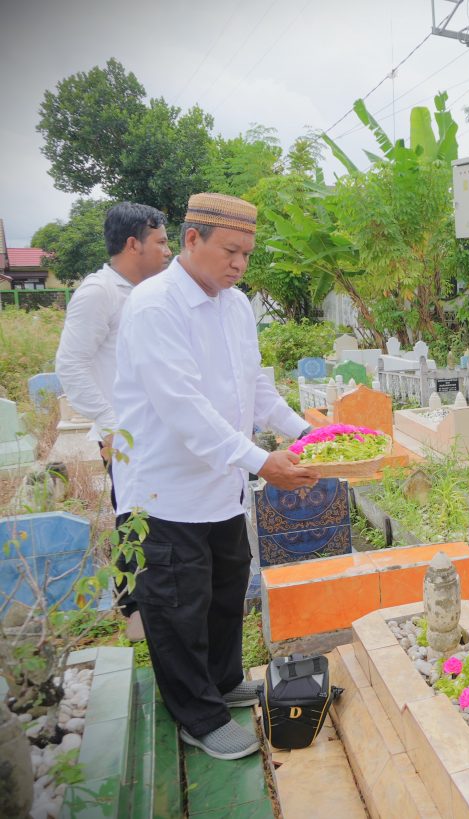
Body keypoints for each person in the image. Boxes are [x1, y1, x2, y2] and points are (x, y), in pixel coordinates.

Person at [112, 192, 318, 760]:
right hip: (165, 490)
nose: (239, 265)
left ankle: (224, 683)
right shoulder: (156, 306)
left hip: (221, 485)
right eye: (230, 251)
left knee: (226, 589)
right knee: (177, 605)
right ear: (191, 239)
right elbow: (183, 408)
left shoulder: (236, 305)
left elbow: (255, 389)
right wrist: (259, 461)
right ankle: (197, 717)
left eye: (247, 255)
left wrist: (304, 433)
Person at [55, 202, 172, 642]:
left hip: (155, 433)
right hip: (125, 437)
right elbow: (71, 365)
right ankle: (137, 616)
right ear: (132, 243)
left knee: (158, 520)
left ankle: (157, 607)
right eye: (159, 241)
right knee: (135, 520)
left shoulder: (148, 292)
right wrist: (109, 425)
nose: (166, 251)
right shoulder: (99, 292)